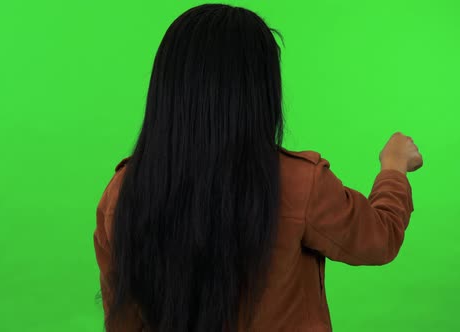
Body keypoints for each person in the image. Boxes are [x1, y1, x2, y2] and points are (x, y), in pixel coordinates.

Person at [93, 4, 423, 332]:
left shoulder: (121, 193)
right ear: (259, 91)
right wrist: (393, 167)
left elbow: (122, 322)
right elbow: (380, 238)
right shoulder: (300, 182)